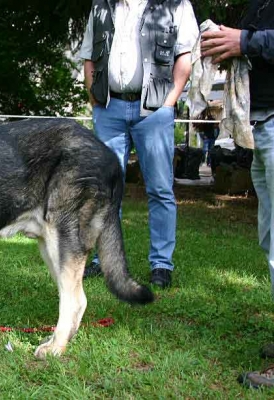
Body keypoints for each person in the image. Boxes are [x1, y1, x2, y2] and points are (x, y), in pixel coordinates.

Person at [80, 0, 199, 288]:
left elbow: (185, 57)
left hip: (155, 111)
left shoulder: (176, 4)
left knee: (160, 189)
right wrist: (95, 102)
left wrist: (168, 104)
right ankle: (104, 260)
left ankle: (161, 264)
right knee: (106, 190)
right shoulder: (101, 6)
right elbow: (88, 57)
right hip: (110, 109)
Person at [201, 0, 274, 389]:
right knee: (270, 240)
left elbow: (255, 43)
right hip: (261, 127)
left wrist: (244, 41)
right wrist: (229, 47)